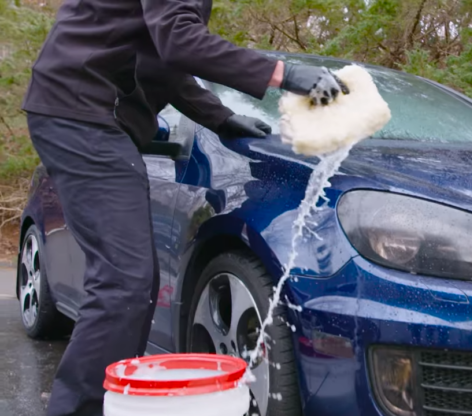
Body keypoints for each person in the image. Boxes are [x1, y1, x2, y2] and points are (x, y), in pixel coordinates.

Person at [21, 0, 349, 414]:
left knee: (133, 284)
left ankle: (110, 403)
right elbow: (179, 42)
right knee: (124, 282)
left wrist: (221, 118)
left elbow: (165, 63)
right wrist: (282, 73)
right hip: (82, 112)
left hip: (86, 112)